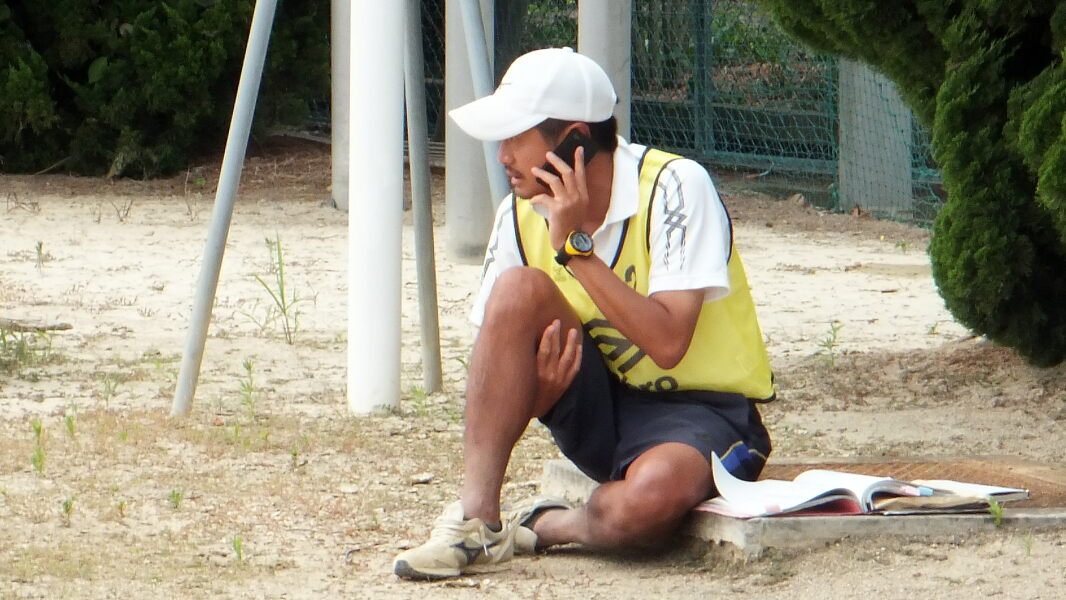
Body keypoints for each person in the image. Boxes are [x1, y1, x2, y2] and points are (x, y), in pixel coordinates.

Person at [392, 47, 775, 581]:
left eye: (515, 137)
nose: (502, 156)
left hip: (701, 411)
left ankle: (550, 525)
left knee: (644, 506)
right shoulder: (517, 214)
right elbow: (496, 371)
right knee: (517, 290)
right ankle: (476, 524)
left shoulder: (675, 186)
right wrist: (535, 396)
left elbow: (668, 343)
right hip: (595, 406)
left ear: (574, 140)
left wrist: (575, 249)